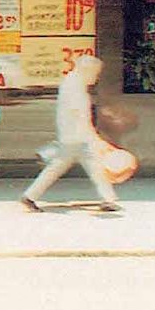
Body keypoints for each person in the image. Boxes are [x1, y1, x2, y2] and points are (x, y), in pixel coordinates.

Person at [20, 55, 121, 213]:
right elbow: (79, 114)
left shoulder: (73, 82)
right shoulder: (74, 86)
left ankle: (29, 196)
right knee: (90, 166)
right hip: (77, 136)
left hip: (72, 136)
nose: (96, 77)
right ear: (87, 70)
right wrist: (93, 137)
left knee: (69, 166)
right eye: (95, 73)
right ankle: (108, 199)